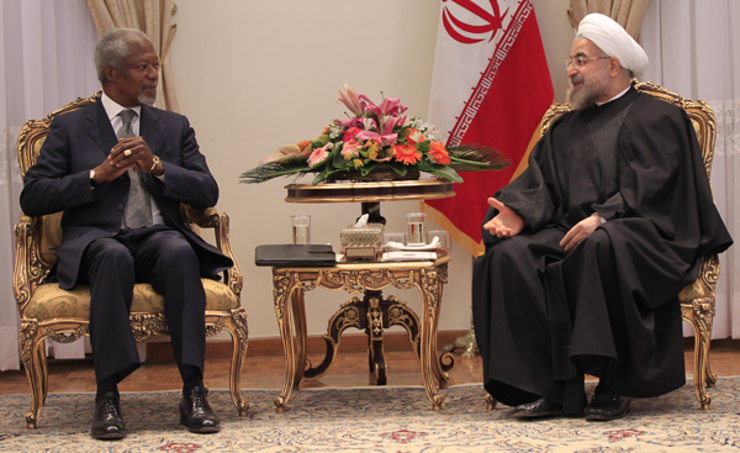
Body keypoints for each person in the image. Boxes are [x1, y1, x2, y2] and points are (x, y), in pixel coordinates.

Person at [472, 13, 732, 422]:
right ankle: (548, 388)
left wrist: (604, 218)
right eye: (570, 62)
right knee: (509, 257)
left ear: (613, 65)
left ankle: (616, 383)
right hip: (572, 230)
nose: (571, 70)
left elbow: (659, 186)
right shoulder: (563, 127)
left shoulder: (659, 116)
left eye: (580, 60)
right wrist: (520, 214)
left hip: (648, 235)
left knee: (602, 244)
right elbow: (543, 185)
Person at [20, 28, 233, 439]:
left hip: (155, 235)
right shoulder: (69, 127)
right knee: (112, 255)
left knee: (177, 250)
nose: (154, 73)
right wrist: (95, 177)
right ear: (111, 73)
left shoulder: (172, 126)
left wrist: (157, 166)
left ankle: (194, 391)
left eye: (155, 65)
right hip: (98, 240)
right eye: (143, 67)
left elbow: (208, 190)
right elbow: (33, 197)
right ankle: (107, 396)